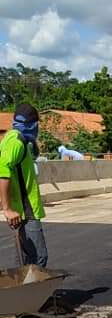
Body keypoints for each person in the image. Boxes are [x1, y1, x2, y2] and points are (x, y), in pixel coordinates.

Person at [0, 102, 48, 267]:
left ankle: (25, 291)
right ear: (33, 125)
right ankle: (34, 293)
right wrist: (7, 209)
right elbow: (2, 171)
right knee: (38, 258)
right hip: (26, 210)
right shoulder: (17, 142)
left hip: (21, 209)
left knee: (26, 258)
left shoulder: (12, 138)